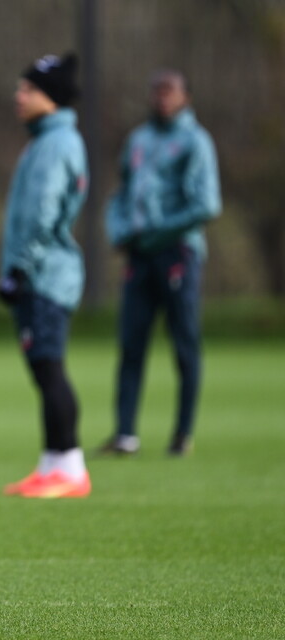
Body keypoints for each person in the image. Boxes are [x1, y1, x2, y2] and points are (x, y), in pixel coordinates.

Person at [101, 70, 221, 457]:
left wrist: (155, 232)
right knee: (131, 343)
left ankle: (183, 433)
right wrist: (118, 228)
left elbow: (205, 204)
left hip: (176, 253)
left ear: (185, 97)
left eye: (169, 92)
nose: (162, 99)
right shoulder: (139, 139)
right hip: (140, 253)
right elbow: (121, 192)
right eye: (157, 92)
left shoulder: (195, 141)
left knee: (184, 344)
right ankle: (125, 434)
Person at [0, 53, 91, 499]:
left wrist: (19, 268)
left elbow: (41, 213)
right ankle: (53, 464)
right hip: (43, 272)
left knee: (50, 367)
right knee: (43, 368)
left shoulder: (55, 144)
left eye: (28, 89)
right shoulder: (48, 139)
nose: (19, 96)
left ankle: (71, 467)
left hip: (45, 274)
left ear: (50, 98)